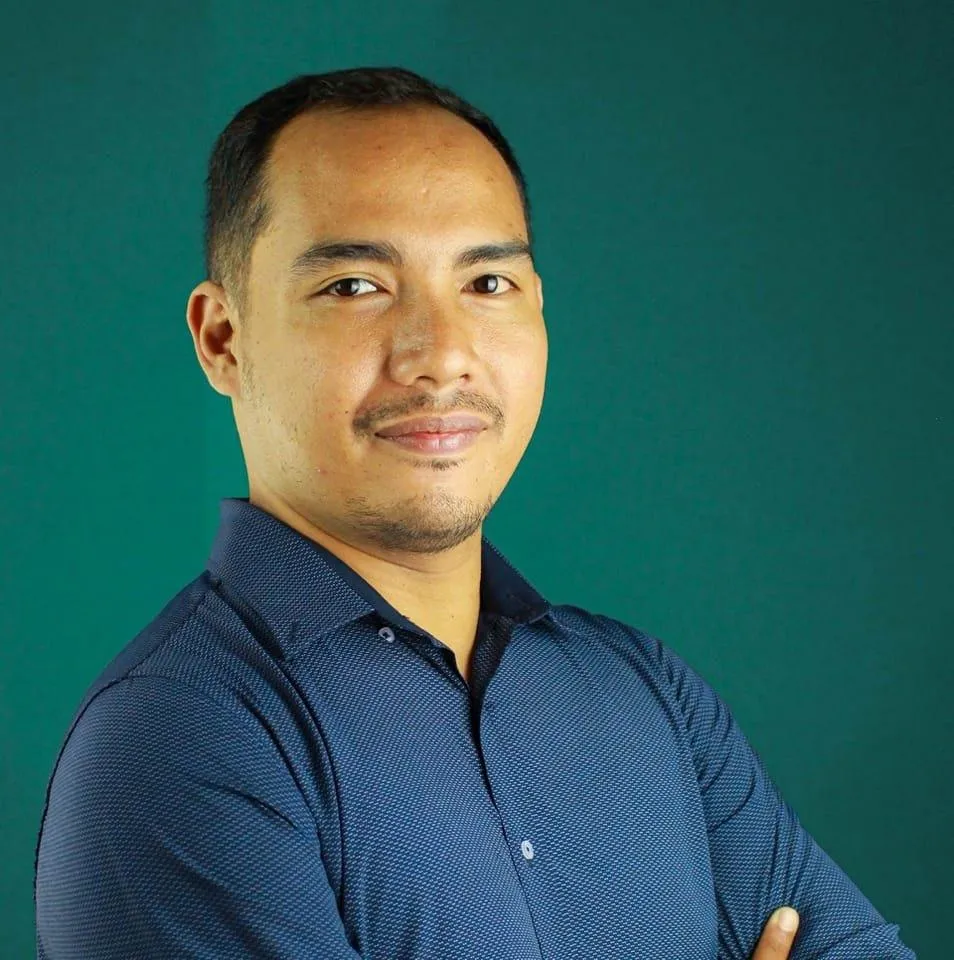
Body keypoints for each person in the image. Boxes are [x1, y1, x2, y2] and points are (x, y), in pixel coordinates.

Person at [33, 66, 915, 959]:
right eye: (354, 286)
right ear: (222, 338)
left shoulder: (647, 694)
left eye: (488, 282)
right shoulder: (178, 741)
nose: (442, 354)